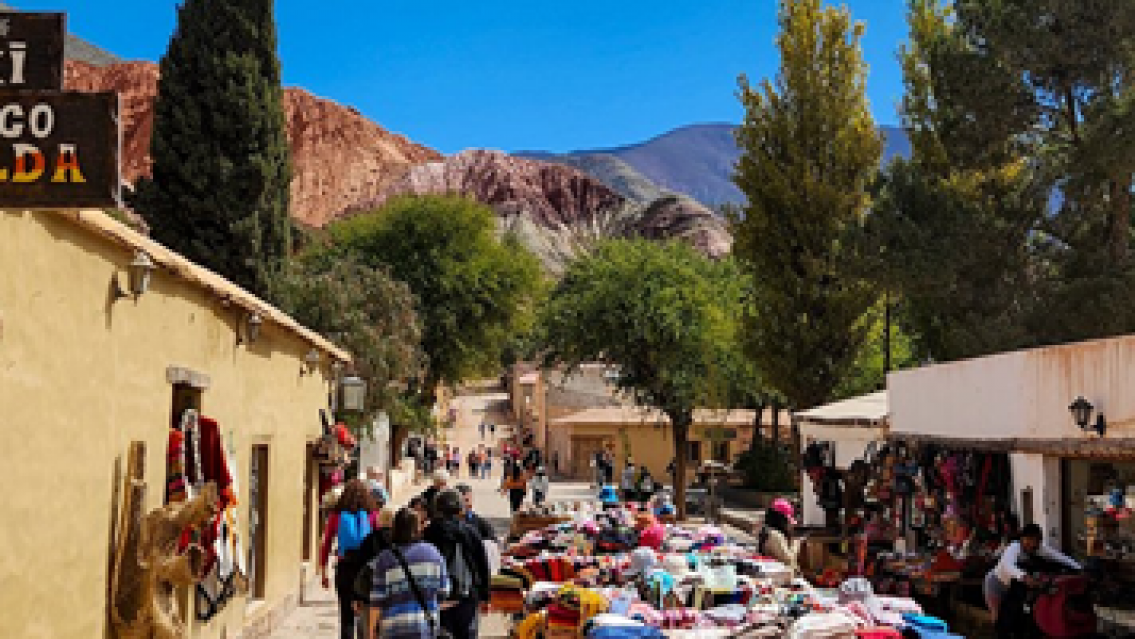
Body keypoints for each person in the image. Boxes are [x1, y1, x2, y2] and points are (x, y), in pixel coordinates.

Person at [369, 507, 449, 639]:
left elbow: (377, 599)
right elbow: (443, 591)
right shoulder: (434, 553)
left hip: (394, 628)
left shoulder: (385, 558)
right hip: (425, 628)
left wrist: (371, 630)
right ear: (418, 528)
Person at [422, 489, 491, 639]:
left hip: (437, 597)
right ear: (460, 508)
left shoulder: (427, 533)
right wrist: (485, 597)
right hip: (467, 596)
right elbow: (482, 565)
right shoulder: (470, 532)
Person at [319, 479, 380, 639]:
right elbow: (379, 539)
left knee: (346, 616)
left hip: (344, 567)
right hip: (366, 570)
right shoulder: (372, 514)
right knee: (365, 614)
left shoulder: (336, 515)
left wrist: (324, 571)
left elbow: (326, 543)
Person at [984, 523, 1081, 623]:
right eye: (1031, 540)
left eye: (1038, 540)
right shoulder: (1014, 547)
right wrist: (1026, 578)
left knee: (1014, 615)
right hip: (996, 584)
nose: (1034, 544)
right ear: (1023, 538)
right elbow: (1008, 565)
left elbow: (1059, 557)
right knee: (997, 616)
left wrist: (1078, 568)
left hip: (1014, 587)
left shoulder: (1039, 548)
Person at [757, 498, 801, 576]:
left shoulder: (767, 531)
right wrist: (796, 542)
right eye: (787, 520)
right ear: (781, 520)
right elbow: (789, 560)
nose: (789, 524)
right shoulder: (775, 535)